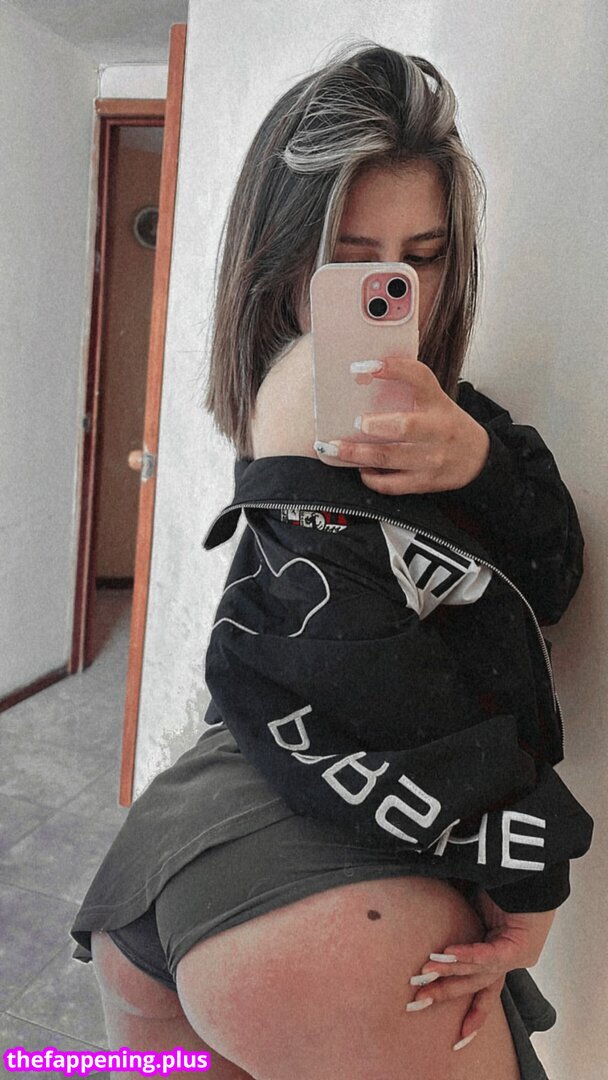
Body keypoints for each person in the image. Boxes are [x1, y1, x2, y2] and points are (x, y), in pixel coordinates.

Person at [70, 42, 593, 1080]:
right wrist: (529, 863)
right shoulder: (306, 394)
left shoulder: (460, 419)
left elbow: (549, 577)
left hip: (179, 863)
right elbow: (366, 670)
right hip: (312, 905)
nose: (391, 289)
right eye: (349, 259)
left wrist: (479, 463)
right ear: (281, 264)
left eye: (422, 256)